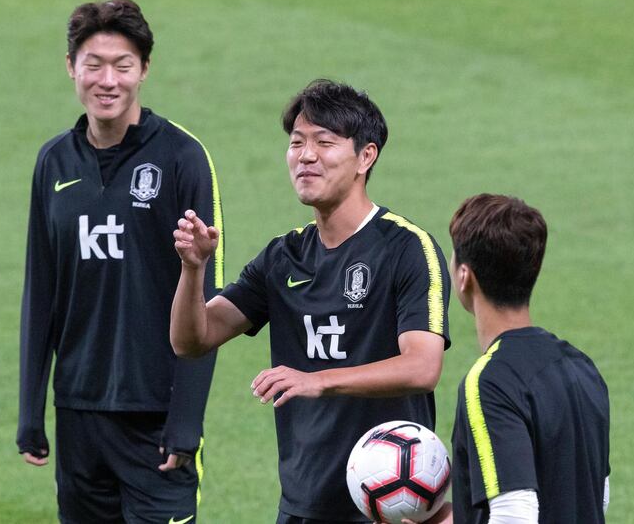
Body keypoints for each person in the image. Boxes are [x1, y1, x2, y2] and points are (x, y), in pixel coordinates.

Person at [170, 79, 451, 523]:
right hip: (303, 504)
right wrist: (193, 270)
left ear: (366, 156)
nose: (305, 156)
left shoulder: (406, 248)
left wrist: (319, 379)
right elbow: (193, 340)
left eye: (324, 142)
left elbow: (423, 367)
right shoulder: (283, 257)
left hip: (385, 505)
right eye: (297, 142)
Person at [17, 0, 223, 523]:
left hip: (156, 421)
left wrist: (186, 420)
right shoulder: (53, 162)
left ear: (144, 69)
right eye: (93, 64)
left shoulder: (182, 157)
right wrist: (30, 408)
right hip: (80, 411)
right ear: (71, 67)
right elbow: (41, 293)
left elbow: (207, 296)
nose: (107, 80)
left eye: (123, 65)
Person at [416, 194, 610, 523]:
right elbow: (595, 496)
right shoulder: (582, 367)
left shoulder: (491, 382)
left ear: (464, 276)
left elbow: (515, 513)